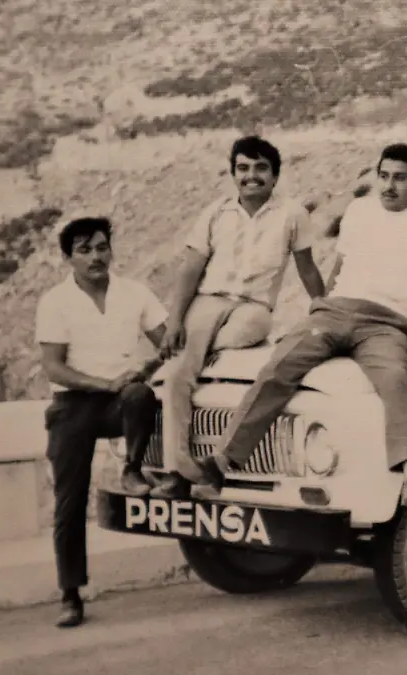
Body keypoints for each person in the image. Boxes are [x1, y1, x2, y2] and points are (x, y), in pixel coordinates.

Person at [186, 142, 407, 508]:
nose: (388, 186)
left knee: (395, 380)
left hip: (386, 323)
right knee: (279, 367)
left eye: (399, 178)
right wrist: (319, 306)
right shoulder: (360, 210)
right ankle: (222, 462)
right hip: (335, 311)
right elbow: (339, 267)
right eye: (383, 176)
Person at [149, 135, 327, 500]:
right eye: (243, 168)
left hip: (253, 306)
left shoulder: (292, 214)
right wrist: (176, 321)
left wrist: (324, 308)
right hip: (207, 300)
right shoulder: (216, 212)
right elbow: (190, 269)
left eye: (261, 168)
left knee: (245, 332)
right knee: (180, 374)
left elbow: (307, 269)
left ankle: (201, 357)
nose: (252, 176)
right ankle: (179, 471)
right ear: (233, 174)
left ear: (275, 176)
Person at [34, 217, 169, 628]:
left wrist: (146, 369)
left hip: (120, 403)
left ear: (111, 249)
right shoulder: (55, 301)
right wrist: (104, 383)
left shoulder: (135, 293)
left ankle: (131, 467)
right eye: (84, 250)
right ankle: (70, 594)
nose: (95, 257)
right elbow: (54, 368)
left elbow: (170, 342)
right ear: (68, 258)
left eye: (101, 247)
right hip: (73, 406)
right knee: (70, 502)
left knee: (141, 394)